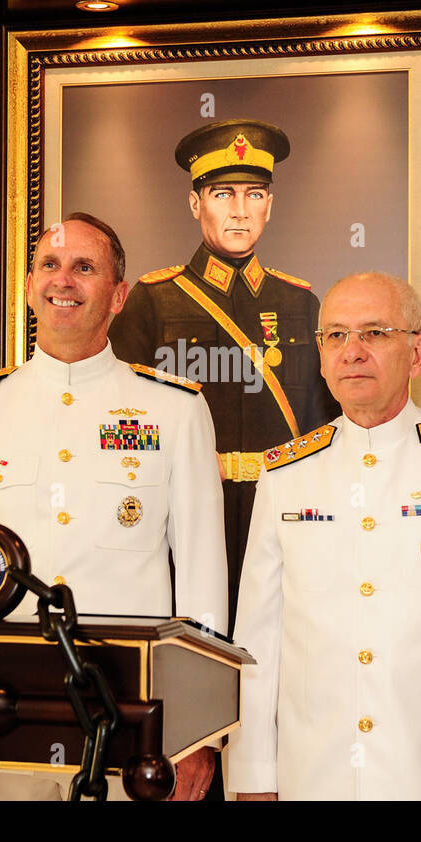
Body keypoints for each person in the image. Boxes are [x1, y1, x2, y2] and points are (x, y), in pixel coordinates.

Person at [0, 213, 228, 801]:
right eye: (49, 265)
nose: (65, 280)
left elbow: (203, 580)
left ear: (118, 294)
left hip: (133, 714)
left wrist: (197, 730)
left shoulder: (175, 411)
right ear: (30, 287)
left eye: (86, 267)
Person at [227, 272, 421, 800]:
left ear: (417, 352)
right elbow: (258, 639)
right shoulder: (284, 475)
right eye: (335, 336)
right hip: (313, 779)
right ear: (322, 357)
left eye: (374, 333)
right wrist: (254, 775)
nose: (352, 352)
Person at [109, 119, 340, 636]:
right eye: (222, 194)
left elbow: (328, 425)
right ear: (196, 204)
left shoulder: (300, 302)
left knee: (281, 654)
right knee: (192, 653)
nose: (239, 210)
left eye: (254, 194)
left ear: (269, 206)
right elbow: (121, 418)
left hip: (281, 518)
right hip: (184, 516)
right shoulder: (154, 299)